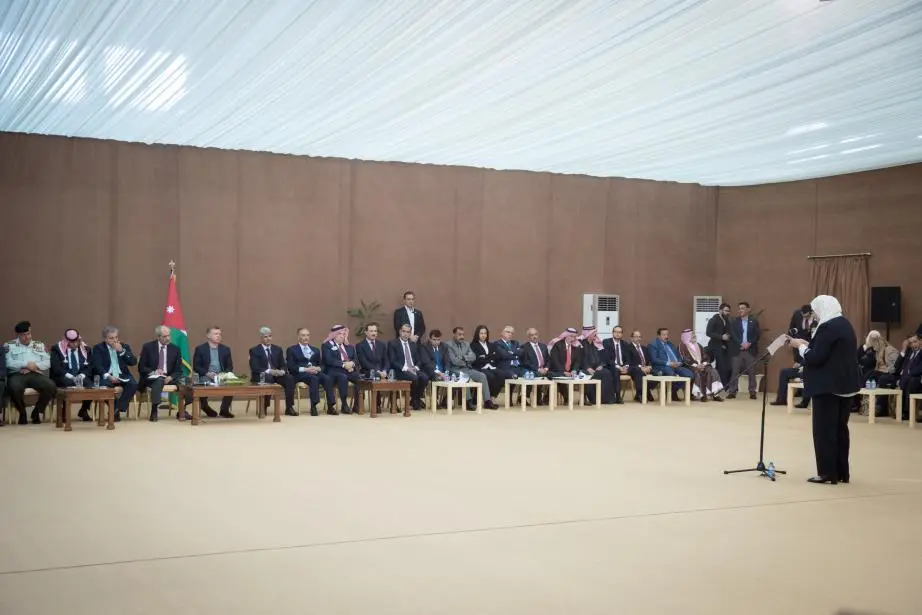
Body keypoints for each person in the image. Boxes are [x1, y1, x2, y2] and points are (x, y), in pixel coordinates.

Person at [788, 295, 862, 485]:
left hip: (828, 387)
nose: (815, 315)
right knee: (840, 430)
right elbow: (829, 352)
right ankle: (841, 472)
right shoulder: (844, 324)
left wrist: (800, 346)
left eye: (816, 311)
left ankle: (827, 473)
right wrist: (807, 345)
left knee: (824, 431)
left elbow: (816, 357)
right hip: (845, 385)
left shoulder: (828, 327)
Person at [5, 321, 56, 424]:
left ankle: (37, 412)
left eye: (28, 334)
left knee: (51, 386)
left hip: (35, 373)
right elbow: (8, 363)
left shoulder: (39, 345)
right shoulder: (9, 345)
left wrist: (34, 367)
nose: (27, 337)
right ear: (18, 335)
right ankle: (22, 413)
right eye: (23, 335)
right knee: (14, 387)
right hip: (17, 374)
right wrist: (25, 364)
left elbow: (47, 362)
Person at [138, 326, 192, 422]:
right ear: (158, 337)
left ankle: (182, 409)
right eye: (164, 336)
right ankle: (154, 410)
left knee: (187, 380)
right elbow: (141, 367)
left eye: (169, 335)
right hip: (152, 377)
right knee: (158, 380)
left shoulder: (175, 349)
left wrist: (171, 377)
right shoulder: (148, 347)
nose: (168, 338)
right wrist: (154, 372)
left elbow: (178, 370)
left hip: (169, 377)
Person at [90, 325, 138, 422]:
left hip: (122, 375)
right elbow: (97, 366)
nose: (115, 340)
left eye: (116, 337)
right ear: (105, 339)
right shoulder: (98, 348)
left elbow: (133, 362)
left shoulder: (124, 346)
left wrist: (122, 351)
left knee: (133, 384)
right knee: (105, 388)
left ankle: (117, 409)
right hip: (106, 376)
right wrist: (108, 376)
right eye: (111, 338)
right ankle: (115, 411)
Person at [443, 326, 497, 409]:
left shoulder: (466, 344)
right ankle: (468, 401)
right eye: (459, 334)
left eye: (463, 334)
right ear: (454, 334)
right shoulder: (448, 345)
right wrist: (467, 359)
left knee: (482, 376)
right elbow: (454, 361)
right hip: (454, 370)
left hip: (467, 368)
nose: (462, 336)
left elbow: (473, 357)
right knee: (465, 377)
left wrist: (463, 357)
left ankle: (487, 401)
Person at [249, 327, 297, 417]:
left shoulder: (277, 349)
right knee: (268, 378)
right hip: (261, 375)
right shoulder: (254, 350)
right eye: (265, 337)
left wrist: (282, 371)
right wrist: (270, 371)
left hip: (277, 375)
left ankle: (289, 407)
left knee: (289, 378)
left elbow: (283, 364)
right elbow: (255, 367)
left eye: (270, 336)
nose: (268, 339)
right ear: (261, 338)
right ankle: (264, 406)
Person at [286, 327, 335, 416]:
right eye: (303, 335)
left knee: (327, 378)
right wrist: (306, 369)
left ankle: (330, 406)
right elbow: (291, 367)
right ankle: (313, 406)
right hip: (300, 374)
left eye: (307, 335)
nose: (306, 337)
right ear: (298, 337)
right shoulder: (292, 350)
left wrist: (318, 368)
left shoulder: (315, 350)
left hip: (314, 372)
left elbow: (322, 365)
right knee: (314, 379)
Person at [50, 328, 94, 421]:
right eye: (72, 342)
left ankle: (84, 410)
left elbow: (90, 366)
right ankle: (65, 411)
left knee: (90, 386)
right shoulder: (56, 349)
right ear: (66, 341)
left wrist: (82, 375)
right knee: (67, 385)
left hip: (80, 375)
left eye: (77, 341)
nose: (75, 344)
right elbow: (56, 368)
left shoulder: (86, 349)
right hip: (64, 376)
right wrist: (71, 377)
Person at [192, 326, 235, 418]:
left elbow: (230, 366)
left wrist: (223, 374)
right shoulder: (200, 349)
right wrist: (207, 373)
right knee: (203, 384)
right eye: (216, 334)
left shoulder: (225, 349)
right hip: (206, 375)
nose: (218, 336)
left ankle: (224, 410)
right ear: (208, 336)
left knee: (231, 385)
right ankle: (205, 406)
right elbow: (196, 366)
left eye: (219, 334)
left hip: (221, 376)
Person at [388, 323, 429, 410]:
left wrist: (416, 368)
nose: (405, 334)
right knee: (414, 378)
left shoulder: (413, 345)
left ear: (410, 334)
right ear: (400, 332)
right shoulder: (393, 343)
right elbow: (393, 361)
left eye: (408, 332)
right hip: (400, 370)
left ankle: (415, 398)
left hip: (413, 369)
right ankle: (415, 400)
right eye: (403, 331)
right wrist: (406, 368)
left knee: (425, 377)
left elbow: (419, 360)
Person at [321, 325, 359, 414]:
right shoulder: (327, 345)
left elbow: (356, 360)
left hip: (349, 370)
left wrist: (352, 364)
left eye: (344, 334)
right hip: (334, 371)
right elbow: (329, 360)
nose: (342, 336)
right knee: (343, 377)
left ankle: (357, 404)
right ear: (334, 335)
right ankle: (344, 404)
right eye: (339, 334)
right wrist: (344, 365)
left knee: (359, 379)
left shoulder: (349, 346)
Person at [648, 328, 694, 402]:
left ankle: (672, 391)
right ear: (658, 336)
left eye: (667, 334)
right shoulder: (653, 345)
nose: (666, 336)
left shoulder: (669, 343)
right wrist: (669, 363)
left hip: (675, 365)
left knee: (689, 375)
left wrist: (678, 362)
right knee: (671, 374)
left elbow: (678, 355)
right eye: (664, 335)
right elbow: (654, 360)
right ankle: (671, 393)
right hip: (662, 366)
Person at [727, 302, 761, 399]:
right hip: (737, 350)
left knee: (751, 371)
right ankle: (732, 391)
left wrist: (749, 343)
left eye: (742, 308)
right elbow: (733, 335)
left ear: (748, 309)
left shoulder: (754, 321)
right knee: (735, 371)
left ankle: (752, 391)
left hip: (750, 350)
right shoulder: (734, 322)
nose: (740, 310)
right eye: (739, 308)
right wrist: (741, 343)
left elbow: (757, 335)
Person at [678, 329, 724, 402]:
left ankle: (715, 394)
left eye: (694, 334)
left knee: (713, 371)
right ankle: (702, 395)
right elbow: (684, 359)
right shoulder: (682, 346)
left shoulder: (698, 345)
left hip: (702, 365)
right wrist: (696, 365)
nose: (694, 335)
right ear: (687, 336)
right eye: (692, 334)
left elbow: (705, 356)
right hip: (691, 366)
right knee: (698, 373)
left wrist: (703, 364)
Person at [578, 326, 618, 404]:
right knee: (592, 374)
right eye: (594, 333)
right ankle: (593, 399)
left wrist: (601, 365)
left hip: (596, 367)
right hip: (584, 368)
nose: (595, 335)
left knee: (607, 373)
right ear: (588, 334)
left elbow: (602, 357)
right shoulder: (581, 344)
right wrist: (587, 368)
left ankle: (606, 399)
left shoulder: (596, 344)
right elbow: (580, 359)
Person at [548, 328, 582, 404]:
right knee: (560, 376)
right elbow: (555, 361)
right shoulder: (558, 345)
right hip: (557, 370)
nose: (573, 339)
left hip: (570, 372)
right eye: (571, 336)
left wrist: (574, 370)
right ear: (566, 336)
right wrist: (563, 371)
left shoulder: (577, 346)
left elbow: (577, 362)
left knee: (581, 375)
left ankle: (577, 398)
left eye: (574, 337)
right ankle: (566, 397)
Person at [705, 303, 732, 386]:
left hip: (724, 347)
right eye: (726, 311)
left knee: (724, 367)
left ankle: (722, 386)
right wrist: (721, 337)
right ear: (720, 310)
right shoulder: (713, 320)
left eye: (729, 311)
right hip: (714, 347)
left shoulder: (727, 321)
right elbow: (708, 332)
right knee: (721, 367)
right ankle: (719, 386)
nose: (728, 313)